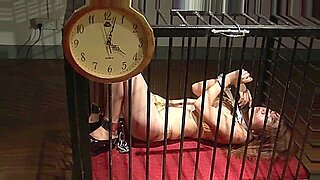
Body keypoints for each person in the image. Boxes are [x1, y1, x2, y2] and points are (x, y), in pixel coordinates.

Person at [88, 69, 292, 159]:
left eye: (270, 118)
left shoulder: (239, 133)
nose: (266, 110)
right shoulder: (236, 111)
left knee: (128, 70)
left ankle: (109, 131)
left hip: (156, 124)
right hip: (157, 106)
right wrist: (232, 86)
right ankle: (98, 118)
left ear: (262, 135)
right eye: (271, 111)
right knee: (116, 71)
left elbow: (201, 104)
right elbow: (197, 88)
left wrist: (228, 81)